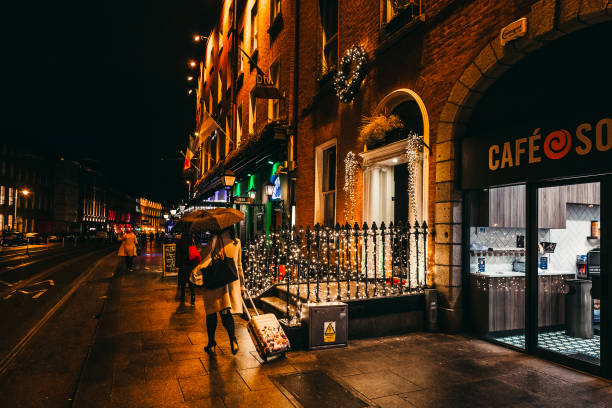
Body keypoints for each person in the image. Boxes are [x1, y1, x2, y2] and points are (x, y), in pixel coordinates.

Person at [193, 226, 245, 355]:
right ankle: (233, 340)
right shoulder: (236, 242)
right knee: (226, 312)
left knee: (211, 313)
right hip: (229, 284)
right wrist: (242, 285)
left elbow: (203, 259)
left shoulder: (213, 240)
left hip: (214, 281)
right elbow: (239, 265)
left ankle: (211, 343)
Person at [176, 231, 197, 305]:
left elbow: (177, 254)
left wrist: (177, 265)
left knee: (183, 281)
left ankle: (182, 296)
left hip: (182, 263)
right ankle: (193, 297)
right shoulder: (191, 241)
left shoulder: (180, 241)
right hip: (190, 263)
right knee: (191, 280)